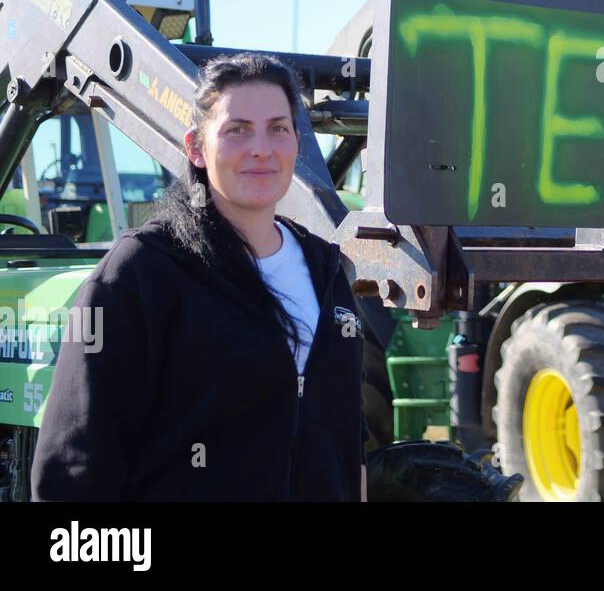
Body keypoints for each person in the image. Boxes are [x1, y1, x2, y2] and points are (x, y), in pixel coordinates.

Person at [32, 52, 368, 501]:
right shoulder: (141, 272)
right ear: (196, 148)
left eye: (278, 128)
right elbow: (76, 464)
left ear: (298, 146)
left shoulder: (325, 269)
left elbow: (347, 444)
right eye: (237, 130)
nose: (261, 148)